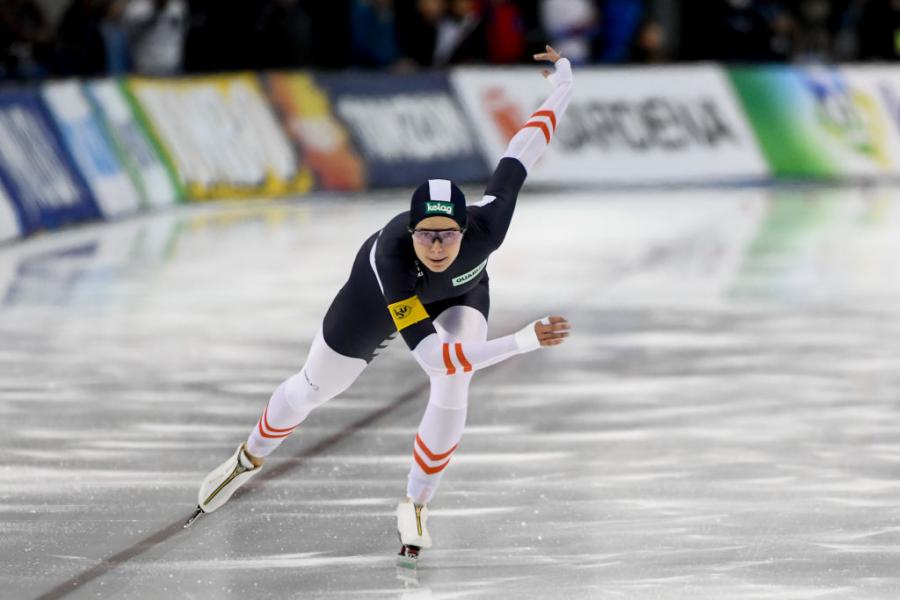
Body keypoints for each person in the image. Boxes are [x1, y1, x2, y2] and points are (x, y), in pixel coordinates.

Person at [195, 46, 575, 565]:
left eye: (447, 235)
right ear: (411, 231)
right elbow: (433, 357)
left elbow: (522, 150)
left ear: (468, 230)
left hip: (464, 293)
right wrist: (523, 340)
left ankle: (416, 504)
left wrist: (562, 88)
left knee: (455, 384)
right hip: (375, 301)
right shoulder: (392, 260)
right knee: (313, 388)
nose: (437, 246)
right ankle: (248, 457)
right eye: (427, 236)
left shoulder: (490, 225)